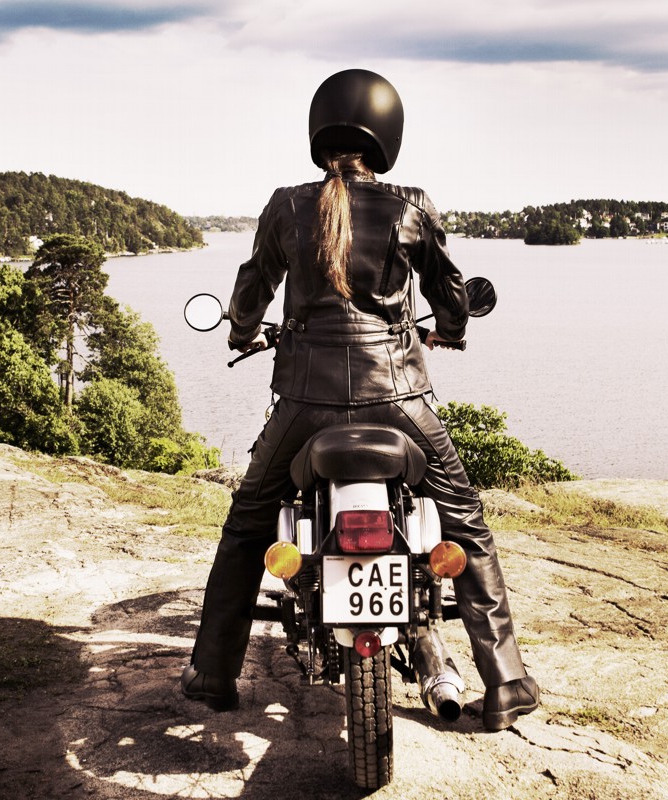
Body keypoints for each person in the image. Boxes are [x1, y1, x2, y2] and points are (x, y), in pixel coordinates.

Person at [181, 68, 539, 732]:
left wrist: (240, 332)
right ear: (386, 136)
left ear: (320, 136)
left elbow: (253, 286)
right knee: (466, 524)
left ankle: (212, 675)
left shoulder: (288, 205)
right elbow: (450, 291)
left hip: (303, 403)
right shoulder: (410, 205)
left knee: (248, 526)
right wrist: (451, 330)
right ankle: (507, 682)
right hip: (399, 397)